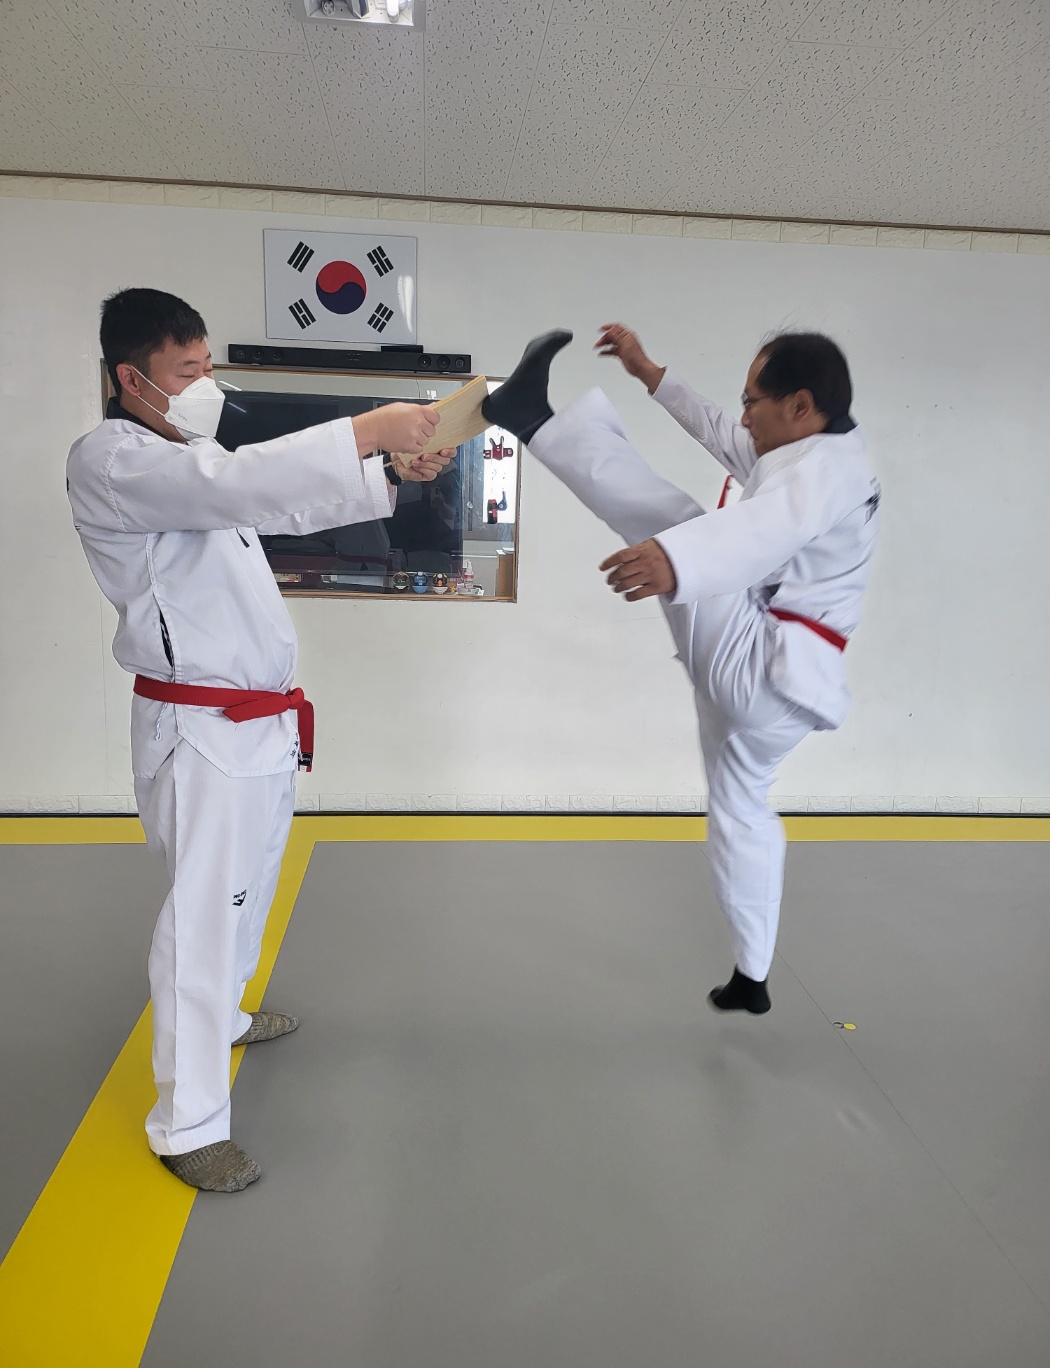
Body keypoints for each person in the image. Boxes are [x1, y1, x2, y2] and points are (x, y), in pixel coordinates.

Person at [67, 288, 453, 1192]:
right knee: (204, 917)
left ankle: (229, 1018)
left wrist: (394, 473)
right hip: (201, 725)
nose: (206, 384)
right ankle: (188, 1123)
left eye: (209, 367)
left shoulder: (191, 459)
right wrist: (370, 428)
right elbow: (240, 485)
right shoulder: (113, 459)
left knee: (248, 892)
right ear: (131, 378)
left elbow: (279, 505)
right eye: (187, 370)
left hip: (258, 722)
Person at [482, 325, 880, 1016]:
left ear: (800, 404)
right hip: (783, 696)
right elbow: (727, 438)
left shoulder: (823, 474)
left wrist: (677, 559)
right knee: (741, 813)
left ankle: (531, 420)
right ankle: (752, 975)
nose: (744, 416)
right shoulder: (812, 447)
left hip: (759, 666)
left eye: (753, 401)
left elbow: (766, 529)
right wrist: (651, 374)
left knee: (674, 519)